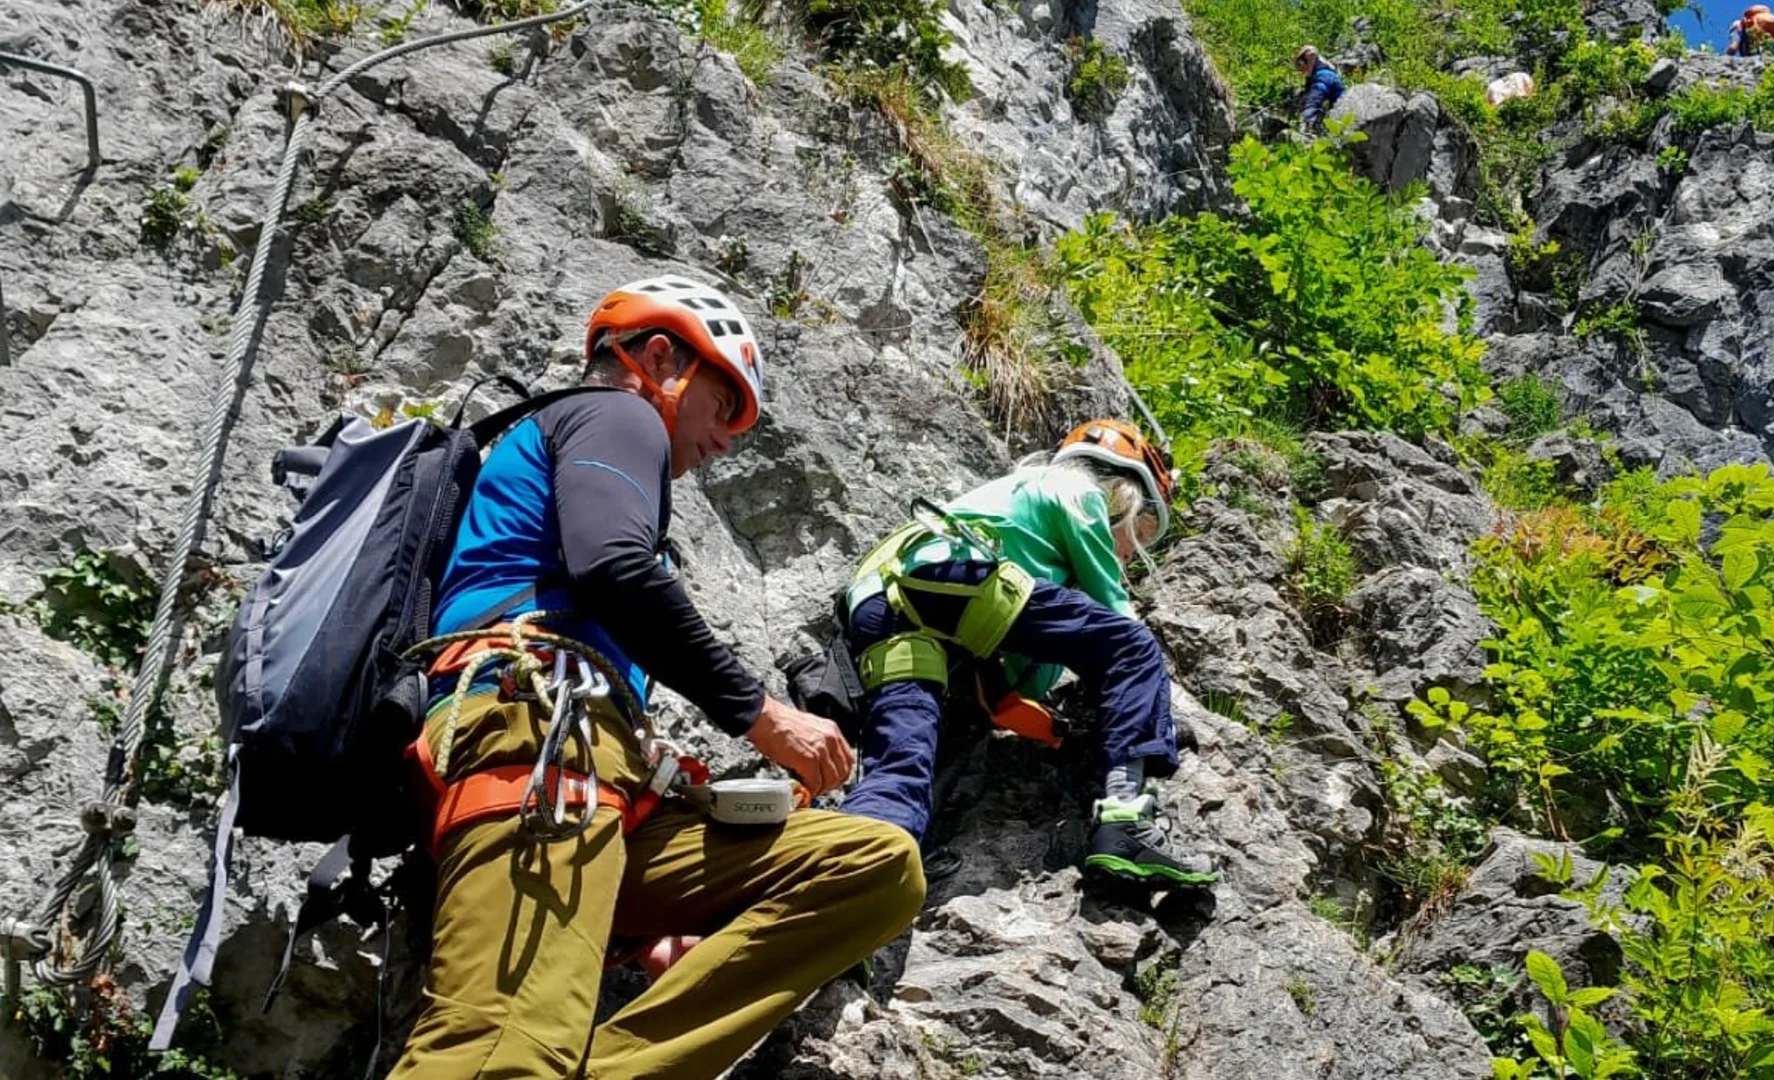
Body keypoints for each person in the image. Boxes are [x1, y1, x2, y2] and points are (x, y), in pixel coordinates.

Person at [386, 277, 926, 1080]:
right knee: (500, 1057)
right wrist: (763, 717)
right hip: (538, 739)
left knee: (871, 867)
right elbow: (614, 565)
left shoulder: (587, 450)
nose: (729, 438)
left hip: (593, 776)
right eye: (724, 402)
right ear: (662, 357)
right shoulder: (616, 411)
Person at [836, 419, 1218, 887]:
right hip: (959, 581)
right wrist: (1147, 715)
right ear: (1124, 495)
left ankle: (856, 881)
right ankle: (1125, 823)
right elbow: (1117, 622)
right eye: (1137, 534)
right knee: (1135, 647)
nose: (1128, 556)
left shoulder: (1017, 513)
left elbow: (1026, 683)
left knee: (906, 761)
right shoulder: (1072, 487)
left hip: (886, 608)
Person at [1293, 44, 1346, 135]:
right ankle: (1337, 132)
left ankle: (1306, 128)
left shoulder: (1308, 55)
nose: (1302, 72)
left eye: (1301, 68)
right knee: (1339, 107)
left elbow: (1312, 51)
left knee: (1312, 104)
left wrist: (1309, 74)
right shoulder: (1324, 62)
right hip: (1337, 82)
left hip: (1323, 80)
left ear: (1301, 61)